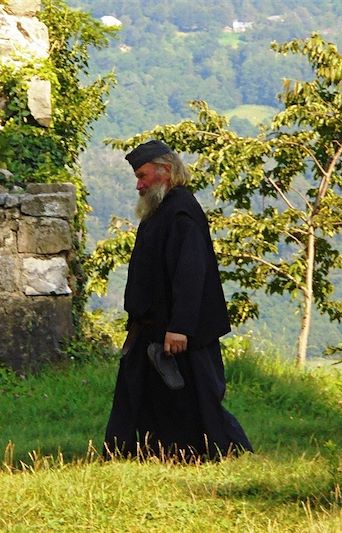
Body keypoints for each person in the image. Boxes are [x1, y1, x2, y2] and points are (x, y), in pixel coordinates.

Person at [103, 139, 253, 461]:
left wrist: (180, 327)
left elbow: (191, 272)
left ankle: (218, 453)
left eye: (143, 176)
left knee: (196, 400)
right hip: (153, 328)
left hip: (179, 332)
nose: (139, 185)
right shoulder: (162, 210)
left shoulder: (181, 211)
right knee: (142, 397)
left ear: (166, 171)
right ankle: (143, 455)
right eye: (137, 178)